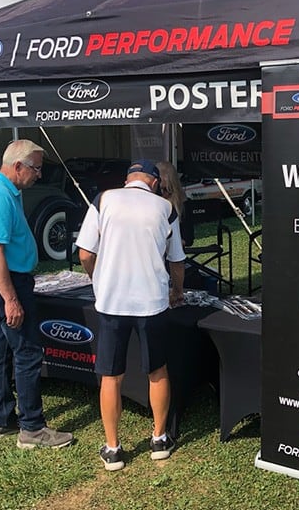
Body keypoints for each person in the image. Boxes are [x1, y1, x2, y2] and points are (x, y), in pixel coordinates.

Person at [75, 159, 185, 471]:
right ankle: (159, 439)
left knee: (111, 375)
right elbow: (177, 260)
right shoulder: (165, 208)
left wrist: (98, 279)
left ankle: (112, 448)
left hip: (112, 302)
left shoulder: (103, 200)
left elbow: (85, 252)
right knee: (157, 370)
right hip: (152, 301)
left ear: (128, 180)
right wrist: (178, 291)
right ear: (153, 182)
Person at [0, 139, 75, 449]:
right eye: (36, 168)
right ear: (18, 166)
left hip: (3, 281)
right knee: (27, 352)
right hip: (5, 284)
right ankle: (32, 428)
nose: (39, 175)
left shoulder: (5, 191)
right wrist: (11, 299)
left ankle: (1, 419)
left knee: (1, 349)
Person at [155, 160, 194, 247]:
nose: (162, 193)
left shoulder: (183, 204)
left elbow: (188, 239)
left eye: (166, 189)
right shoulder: (152, 202)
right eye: (159, 189)